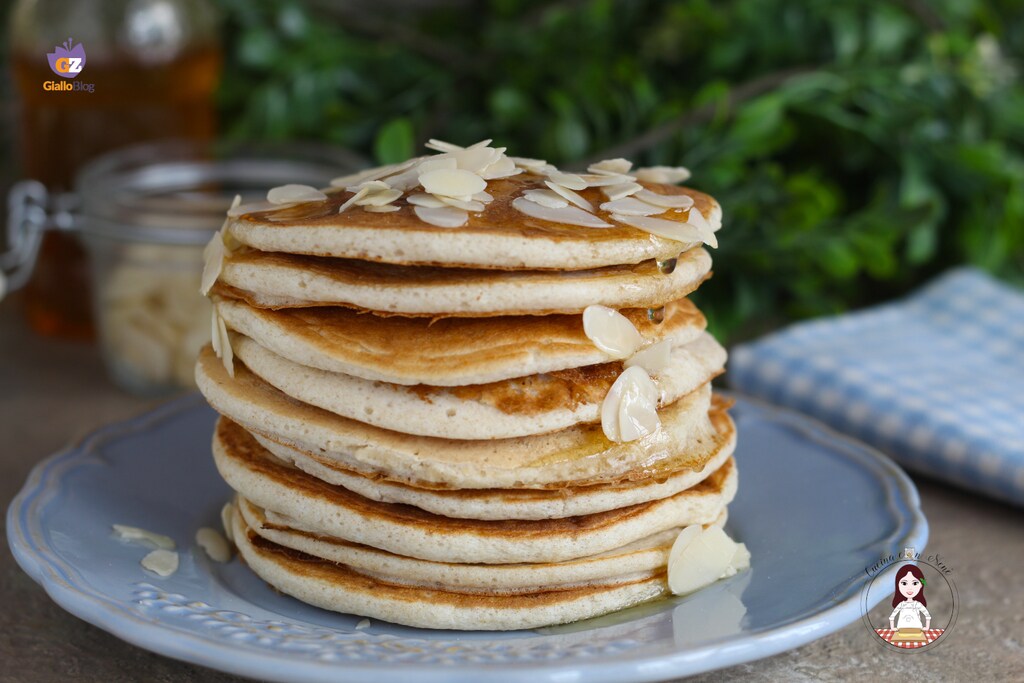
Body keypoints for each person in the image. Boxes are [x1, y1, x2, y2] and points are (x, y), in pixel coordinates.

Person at [888, 565, 931, 631]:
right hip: (902, 630)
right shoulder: (901, 604)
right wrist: (893, 628)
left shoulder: (917, 604)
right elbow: (892, 617)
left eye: (915, 583)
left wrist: (927, 627)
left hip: (916, 629)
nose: (909, 588)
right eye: (904, 583)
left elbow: (927, 616)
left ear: (920, 585)